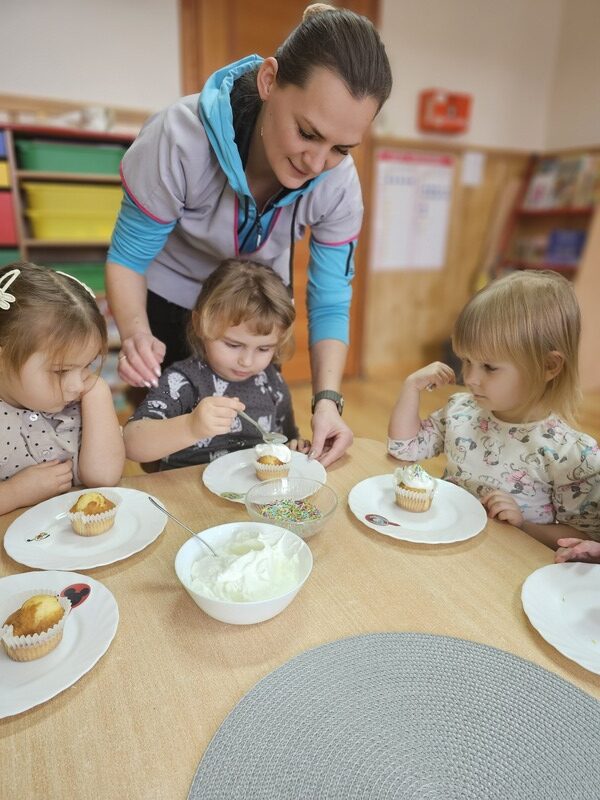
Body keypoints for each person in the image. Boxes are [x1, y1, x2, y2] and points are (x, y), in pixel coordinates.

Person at [105, 3, 392, 468]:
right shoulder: (179, 137)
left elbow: (330, 298)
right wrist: (137, 334)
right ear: (269, 81)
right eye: (307, 132)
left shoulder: (338, 182)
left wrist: (327, 401)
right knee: (171, 449)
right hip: (169, 300)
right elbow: (129, 257)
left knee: (253, 442)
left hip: (254, 308)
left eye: (340, 148)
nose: (316, 164)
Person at [387, 270, 600, 549]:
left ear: (548, 366)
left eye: (489, 367)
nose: (470, 378)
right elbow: (404, 448)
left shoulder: (571, 454)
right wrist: (411, 387)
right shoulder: (461, 411)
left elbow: (585, 539)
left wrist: (523, 525)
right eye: (467, 361)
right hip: (445, 545)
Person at [123, 259, 310, 469]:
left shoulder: (272, 380)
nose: (246, 361)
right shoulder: (182, 380)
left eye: (264, 349)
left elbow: (286, 438)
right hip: (186, 486)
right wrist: (190, 427)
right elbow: (131, 443)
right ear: (200, 324)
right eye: (233, 345)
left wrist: (294, 448)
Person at [0, 263, 125, 515]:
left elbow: (103, 477)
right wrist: (14, 493)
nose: (78, 385)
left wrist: (98, 393)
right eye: (61, 371)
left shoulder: (79, 399)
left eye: (87, 366)